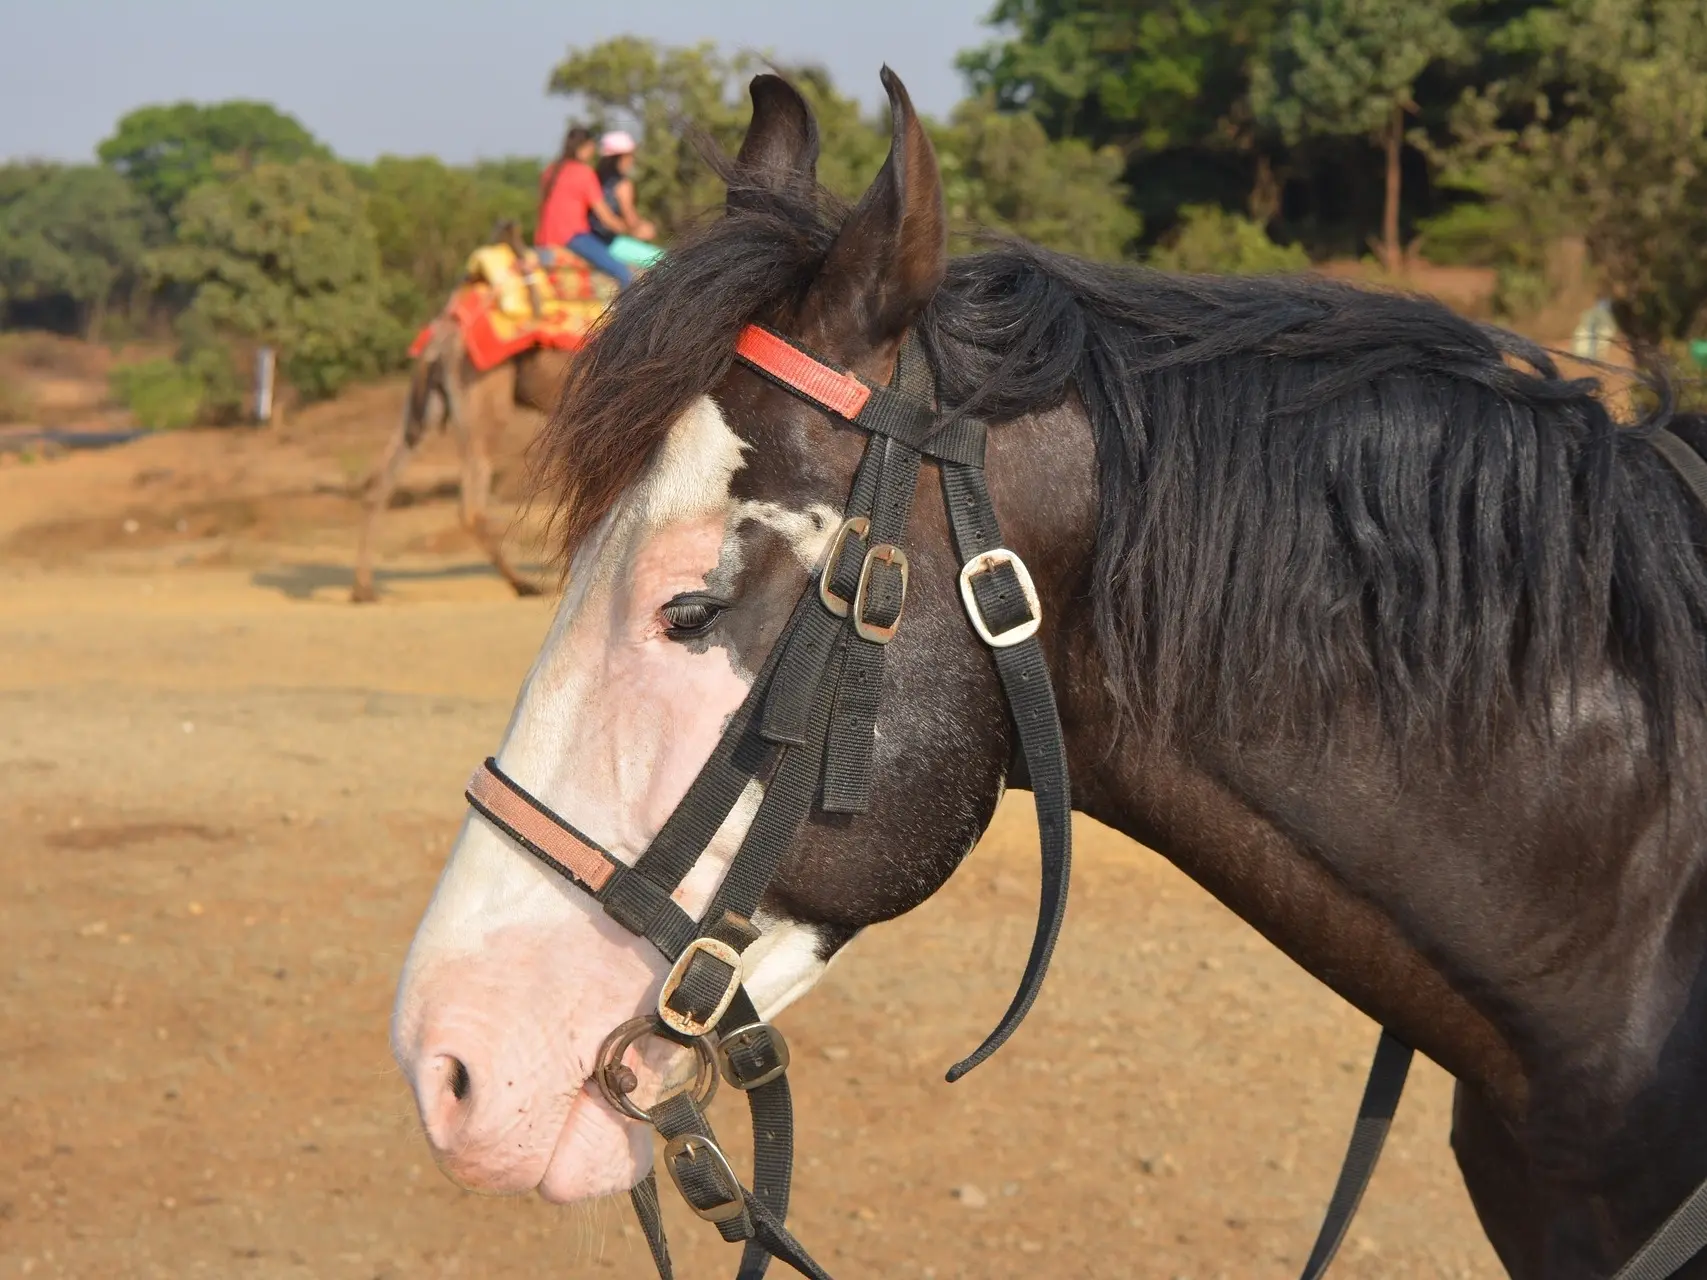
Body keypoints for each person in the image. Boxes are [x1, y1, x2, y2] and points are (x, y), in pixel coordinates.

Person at [535, 125, 634, 289]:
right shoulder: (584, 173)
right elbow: (606, 218)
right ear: (585, 147)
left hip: (544, 239)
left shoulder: (549, 171)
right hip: (573, 238)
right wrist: (629, 230)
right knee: (624, 275)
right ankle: (628, 315)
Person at [587, 131, 663, 271]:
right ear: (621, 157)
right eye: (630, 155)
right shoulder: (622, 184)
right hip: (609, 242)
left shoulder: (594, 179)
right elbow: (630, 219)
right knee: (663, 261)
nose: (632, 160)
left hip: (590, 240)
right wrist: (644, 228)